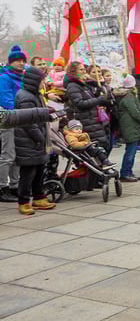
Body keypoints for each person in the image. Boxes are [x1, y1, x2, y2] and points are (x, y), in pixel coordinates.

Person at [13, 67, 56, 215]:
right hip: (28, 140)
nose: (45, 82)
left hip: (38, 139)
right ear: (35, 81)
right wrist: (40, 138)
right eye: (43, 79)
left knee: (39, 170)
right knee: (28, 172)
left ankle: (38, 197)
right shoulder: (25, 97)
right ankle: (23, 201)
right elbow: (28, 122)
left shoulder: (36, 95)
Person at [64, 61, 110, 152]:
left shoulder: (84, 85)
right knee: (95, 150)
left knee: (102, 147)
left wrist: (97, 93)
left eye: (84, 69)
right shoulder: (73, 86)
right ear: (74, 72)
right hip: (86, 122)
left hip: (93, 121)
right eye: (81, 69)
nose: (84, 71)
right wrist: (99, 99)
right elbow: (80, 103)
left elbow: (90, 98)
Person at [0, 45, 26, 197]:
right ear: (10, 62)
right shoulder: (4, 78)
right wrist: (24, 110)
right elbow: (5, 100)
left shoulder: (23, 78)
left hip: (22, 119)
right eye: (17, 61)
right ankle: (2, 187)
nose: (21, 63)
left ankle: (15, 186)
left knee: (17, 155)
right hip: (8, 120)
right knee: (7, 155)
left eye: (23, 60)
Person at [115, 75, 140, 183]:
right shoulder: (129, 96)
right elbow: (135, 112)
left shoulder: (127, 95)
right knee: (130, 152)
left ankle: (129, 171)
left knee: (131, 151)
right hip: (130, 127)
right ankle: (125, 173)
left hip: (130, 126)